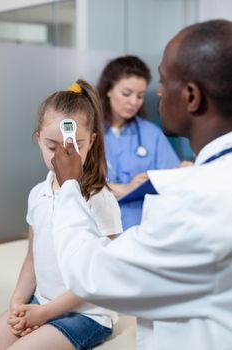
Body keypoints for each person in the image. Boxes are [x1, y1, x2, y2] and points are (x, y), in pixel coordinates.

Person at [50, 19, 232, 350]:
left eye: (163, 82)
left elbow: (93, 275)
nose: (156, 93)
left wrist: (69, 187)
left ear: (191, 96)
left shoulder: (196, 204)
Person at [0, 80, 123, 350]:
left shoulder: (99, 199)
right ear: (38, 140)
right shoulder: (37, 195)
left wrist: (45, 314)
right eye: (52, 147)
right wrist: (18, 301)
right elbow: (33, 256)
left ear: (91, 141)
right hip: (40, 302)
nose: (62, 157)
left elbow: (104, 276)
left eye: (74, 146)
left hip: (86, 314)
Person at [97, 55, 180, 229]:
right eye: (126, 93)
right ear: (108, 89)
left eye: (140, 96)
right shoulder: (89, 133)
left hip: (142, 229)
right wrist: (127, 188)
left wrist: (179, 174)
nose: (134, 102)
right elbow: (76, 186)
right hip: (99, 229)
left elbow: (172, 183)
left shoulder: (152, 134)